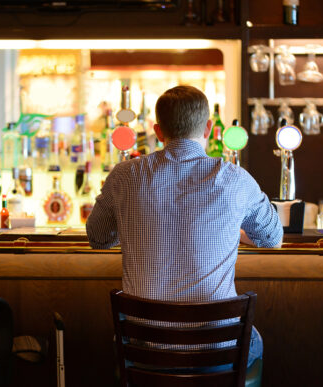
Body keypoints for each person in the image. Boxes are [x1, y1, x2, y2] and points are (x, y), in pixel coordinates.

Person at [86, 85, 283, 368]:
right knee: (254, 340)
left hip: (143, 350)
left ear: (158, 131)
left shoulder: (124, 176)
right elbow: (272, 238)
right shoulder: (235, 179)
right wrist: (233, 233)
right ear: (208, 128)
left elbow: (98, 238)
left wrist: (135, 227)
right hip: (216, 349)